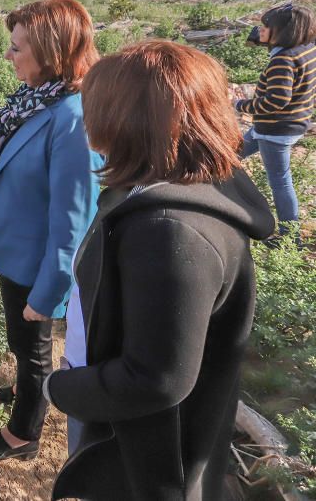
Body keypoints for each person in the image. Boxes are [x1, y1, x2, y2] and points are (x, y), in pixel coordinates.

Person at [45, 41, 275, 501]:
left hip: (147, 456)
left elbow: (155, 379)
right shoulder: (177, 191)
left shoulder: (171, 231)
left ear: (130, 119)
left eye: (96, 106)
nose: (87, 117)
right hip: (141, 430)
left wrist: (62, 387)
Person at [0, 0, 101, 461]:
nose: (8, 55)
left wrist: (48, 296)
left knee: (34, 347)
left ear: (51, 52)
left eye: (16, 47)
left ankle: (24, 433)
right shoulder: (39, 98)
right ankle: (30, 389)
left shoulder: (73, 120)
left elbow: (73, 221)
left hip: (36, 262)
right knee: (22, 344)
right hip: (17, 251)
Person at [234, 3, 315, 245]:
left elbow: (276, 101)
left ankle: (291, 239)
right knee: (229, 153)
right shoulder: (306, 48)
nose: (260, 31)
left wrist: (241, 105)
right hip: (289, 123)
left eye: (266, 27)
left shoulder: (283, 59)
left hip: (275, 129)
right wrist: (264, 39)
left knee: (280, 182)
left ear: (282, 31)